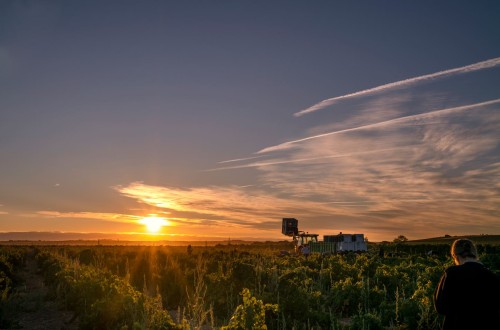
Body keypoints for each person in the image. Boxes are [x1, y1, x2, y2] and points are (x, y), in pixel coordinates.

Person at [434, 239, 500, 329]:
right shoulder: (492, 276)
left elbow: (440, 307)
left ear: (455, 256)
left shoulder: (451, 273)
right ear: (475, 254)